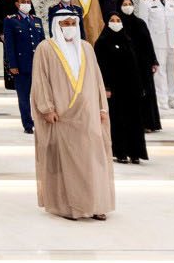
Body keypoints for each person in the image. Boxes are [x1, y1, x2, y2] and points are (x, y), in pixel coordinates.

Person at [30, 13, 114, 221]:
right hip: (61, 115)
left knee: (94, 159)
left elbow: (97, 78)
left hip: (89, 114)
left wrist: (102, 107)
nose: (69, 27)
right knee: (66, 162)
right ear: (56, 25)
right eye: (65, 24)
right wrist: (46, 108)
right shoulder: (46, 48)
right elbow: (40, 81)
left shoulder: (86, 47)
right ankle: (69, 206)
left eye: (72, 23)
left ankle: (96, 203)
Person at [94, 13, 149, 165]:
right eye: (112, 20)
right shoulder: (102, 42)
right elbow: (100, 67)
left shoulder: (128, 40)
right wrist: (105, 87)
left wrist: (140, 86)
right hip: (114, 90)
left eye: (118, 20)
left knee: (134, 120)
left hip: (131, 88)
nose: (116, 23)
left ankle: (136, 152)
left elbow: (135, 66)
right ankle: (121, 153)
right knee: (119, 120)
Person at [115, 0, 162, 133]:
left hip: (143, 64)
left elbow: (148, 42)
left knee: (146, 93)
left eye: (130, 4)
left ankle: (149, 123)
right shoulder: (117, 23)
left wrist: (154, 61)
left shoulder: (140, 23)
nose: (128, 7)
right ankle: (133, 124)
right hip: (126, 65)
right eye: (124, 5)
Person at [3, 0, 46, 134]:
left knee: (40, 95)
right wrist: (13, 65)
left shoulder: (37, 20)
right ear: (17, 4)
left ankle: (40, 120)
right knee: (24, 97)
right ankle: (28, 124)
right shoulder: (11, 20)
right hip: (21, 66)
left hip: (38, 65)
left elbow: (43, 43)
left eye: (28, 1)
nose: (26, 4)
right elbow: (9, 45)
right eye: (23, 1)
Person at [138, 0, 174, 112]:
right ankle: (161, 101)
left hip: (172, 41)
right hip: (157, 42)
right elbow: (143, 25)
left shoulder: (172, 2)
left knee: (172, 70)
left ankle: (173, 99)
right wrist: (146, 45)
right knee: (159, 71)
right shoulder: (146, 3)